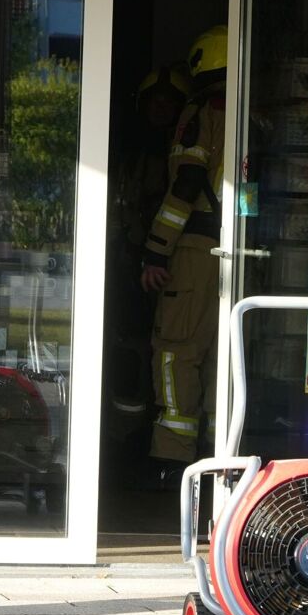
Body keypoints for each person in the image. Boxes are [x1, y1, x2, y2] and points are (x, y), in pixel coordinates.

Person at [139, 26, 227, 480]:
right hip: (232, 252)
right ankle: (216, 455)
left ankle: (171, 459)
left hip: (193, 252)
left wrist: (156, 250)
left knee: (176, 351)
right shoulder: (243, 111)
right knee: (219, 354)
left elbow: (187, 183)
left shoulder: (201, 110)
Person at [107, 65, 189, 416]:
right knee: (126, 336)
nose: (161, 108)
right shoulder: (125, 149)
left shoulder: (179, 153)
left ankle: (148, 417)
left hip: (165, 262)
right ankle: (126, 416)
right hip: (127, 258)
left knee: (163, 341)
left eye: (169, 103)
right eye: (156, 101)